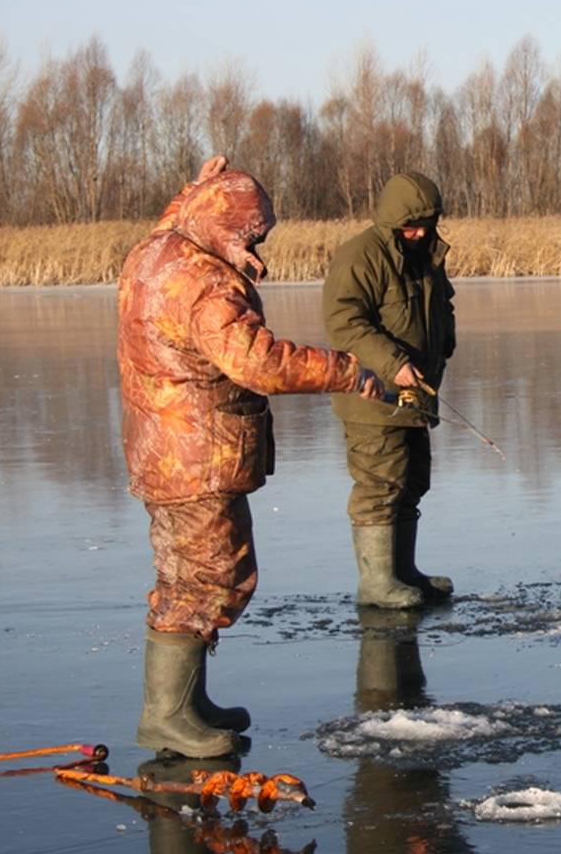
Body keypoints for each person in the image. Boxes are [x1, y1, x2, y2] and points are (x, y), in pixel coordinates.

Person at [118, 157, 383, 758]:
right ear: (224, 226)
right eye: (251, 233)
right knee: (215, 576)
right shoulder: (205, 285)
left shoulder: (156, 253)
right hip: (199, 456)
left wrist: (196, 188)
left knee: (183, 576)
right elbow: (257, 362)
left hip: (162, 453)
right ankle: (167, 716)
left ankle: (186, 704)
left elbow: (176, 223)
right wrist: (346, 369)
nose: (257, 244)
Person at [322, 173, 457, 608]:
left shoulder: (426, 254)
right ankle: (376, 583)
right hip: (371, 396)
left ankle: (404, 572)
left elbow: (443, 303)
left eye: (426, 223)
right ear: (392, 220)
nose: (418, 232)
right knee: (380, 483)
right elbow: (345, 322)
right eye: (410, 225)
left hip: (416, 394)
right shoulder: (360, 256)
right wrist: (393, 364)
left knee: (412, 480)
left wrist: (445, 343)